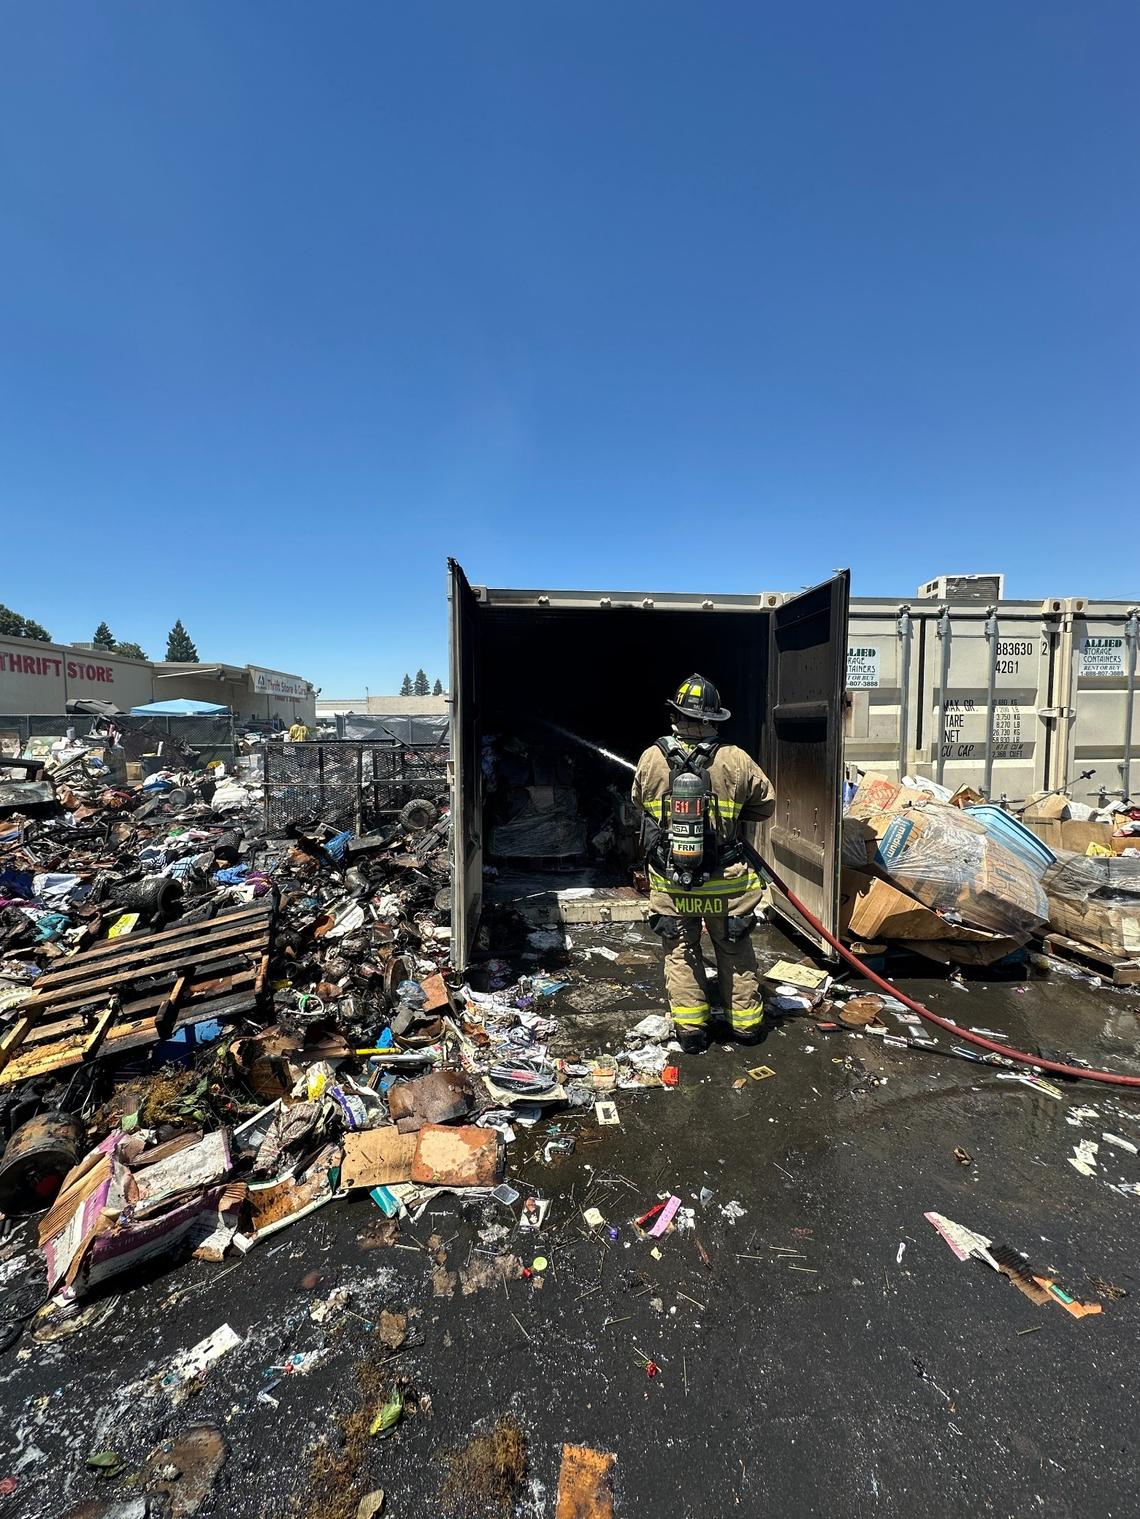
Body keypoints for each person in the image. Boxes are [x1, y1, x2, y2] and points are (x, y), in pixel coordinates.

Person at [632, 675, 776, 1054]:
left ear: (676, 715)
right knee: (733, 950)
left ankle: (692, 1033)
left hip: (673, 883)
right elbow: (766, 805)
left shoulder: (651, 757)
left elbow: (639, 805)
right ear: (714, 718)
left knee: (681, 950)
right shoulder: (736, 758)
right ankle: (746, 1029)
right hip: (726, 884)